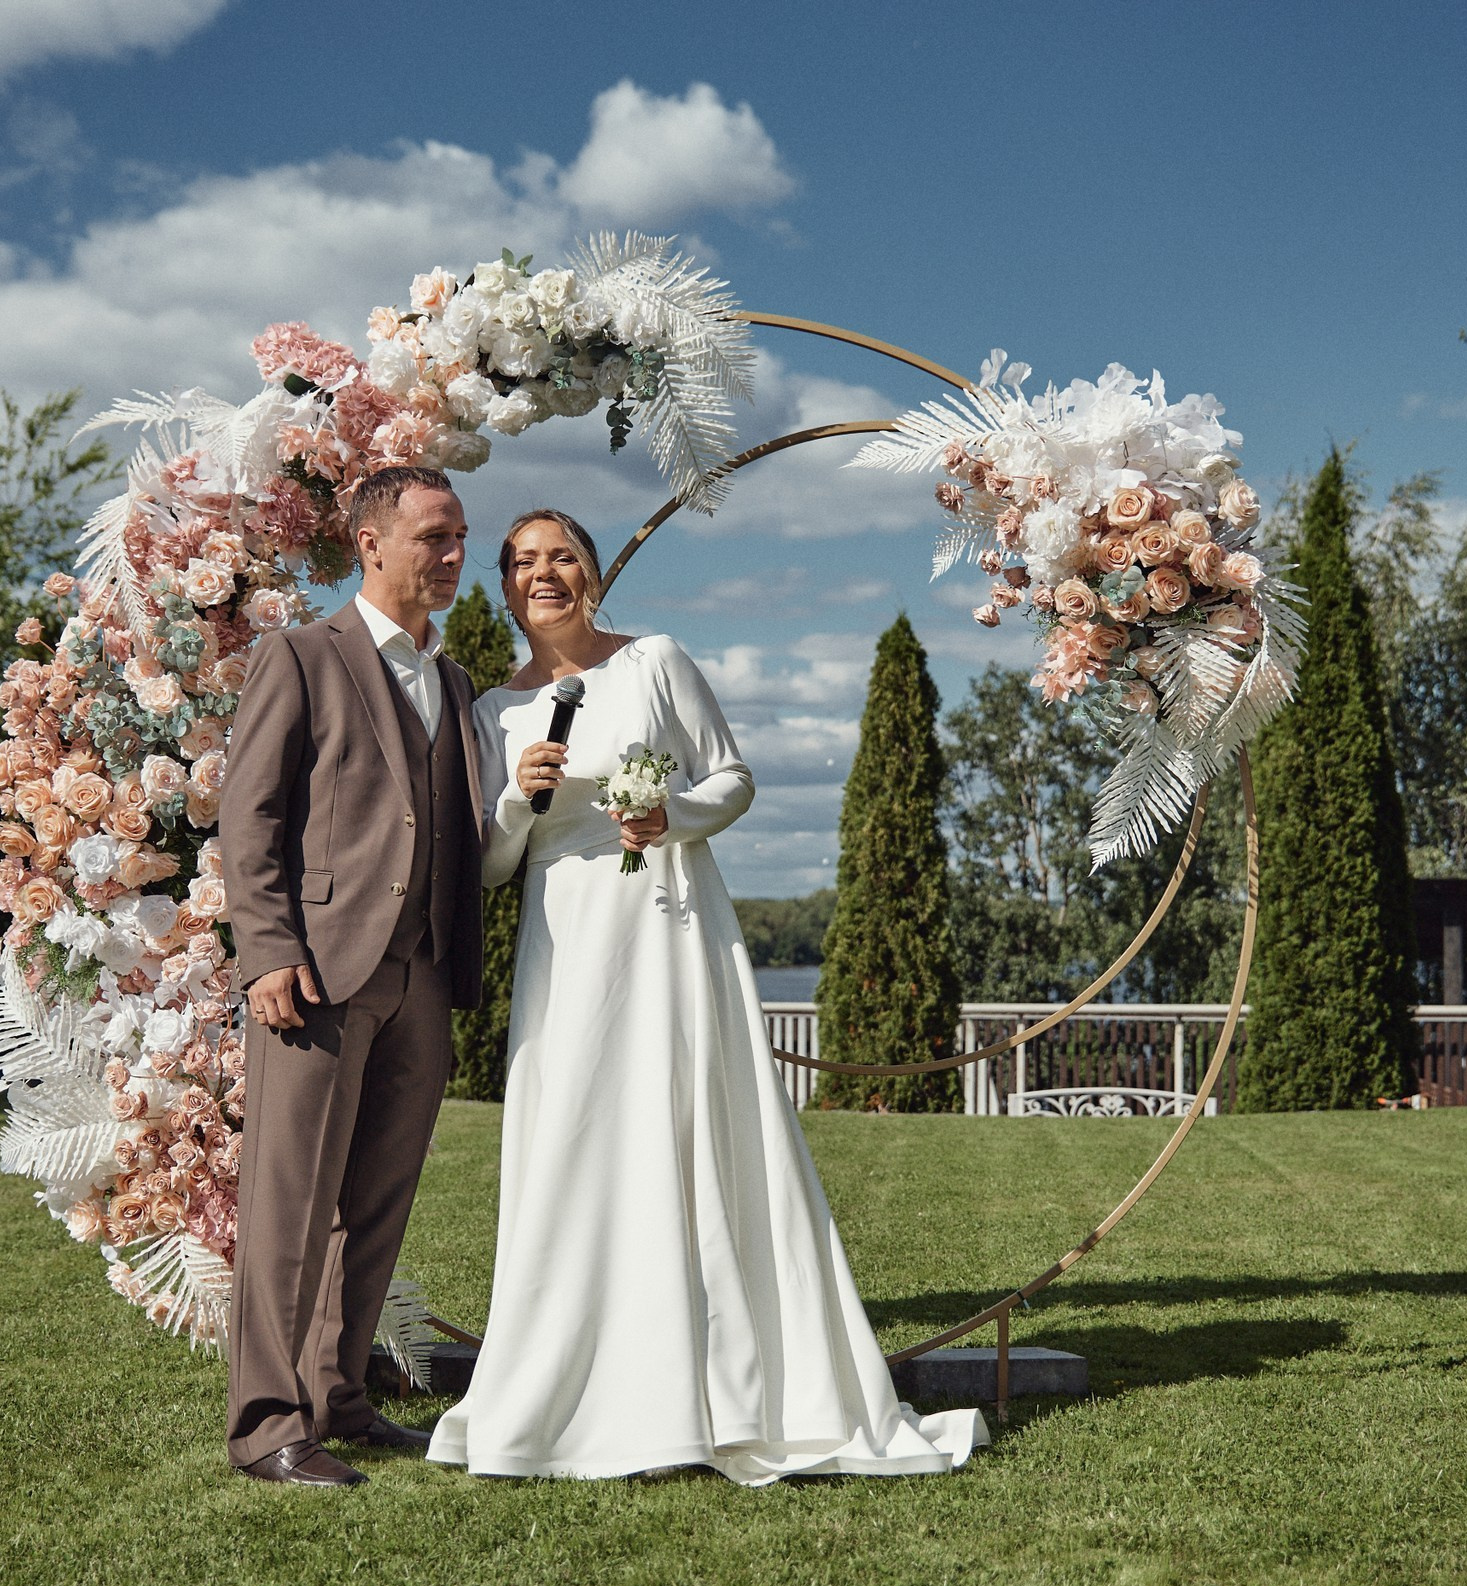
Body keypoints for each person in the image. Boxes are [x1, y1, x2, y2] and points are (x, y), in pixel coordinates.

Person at [426, 509, 986, 1482]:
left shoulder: (655, 662)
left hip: (671, 928)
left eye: (563, 556)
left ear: (594, 574)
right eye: (522, 562)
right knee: (572, 1142)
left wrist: (670, 814)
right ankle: (571, 1385)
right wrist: (518, 800)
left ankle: (723, 1379)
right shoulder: (490, 712)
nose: (542, 573)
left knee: (686, 1128)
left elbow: (731, 781)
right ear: (504, 586)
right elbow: (487, 870)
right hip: (567, 947)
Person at [219, 464, 488, 1488]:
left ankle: (336, 1395)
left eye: (461, 535)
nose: (455, 555)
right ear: (370, 542)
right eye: (434, 536)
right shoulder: (300, 656)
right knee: (289, 1202)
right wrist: (269, 954)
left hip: (419, 975)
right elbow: (250, 818)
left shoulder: (453, 681)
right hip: (318, 975)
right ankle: (265, 1423)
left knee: (376, 1201)